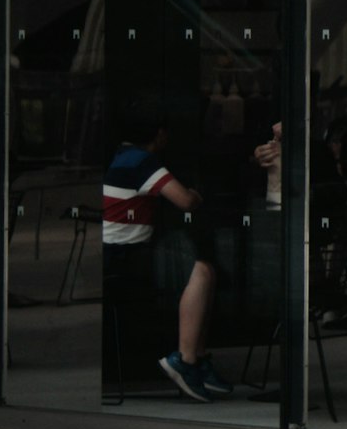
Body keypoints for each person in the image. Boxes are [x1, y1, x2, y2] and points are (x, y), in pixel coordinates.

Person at [105, 118, 250, 402]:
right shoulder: (141, 160)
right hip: (124, 257)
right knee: (203, 269)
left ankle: (195, 358)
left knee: (205, 268)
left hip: (119, 252)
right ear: (158, 134)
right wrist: (196, 193)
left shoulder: (123, 157)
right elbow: (184, 200)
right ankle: (183, 360)